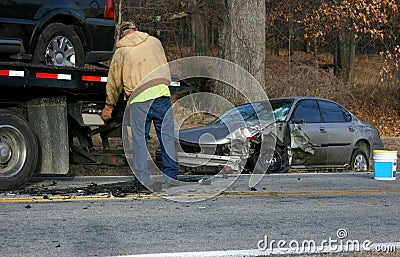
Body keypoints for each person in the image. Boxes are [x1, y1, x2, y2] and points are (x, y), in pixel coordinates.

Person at [101, 21, 179, 188]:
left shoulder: (122, 51)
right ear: (136, 29)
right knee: (166, 136)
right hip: (161, 95)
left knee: (139, 140)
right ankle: (170, 174)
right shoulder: (154, 42)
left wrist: (109, 106)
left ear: (122, 34)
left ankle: (142, 178)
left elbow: (114, 82)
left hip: (139, 99)